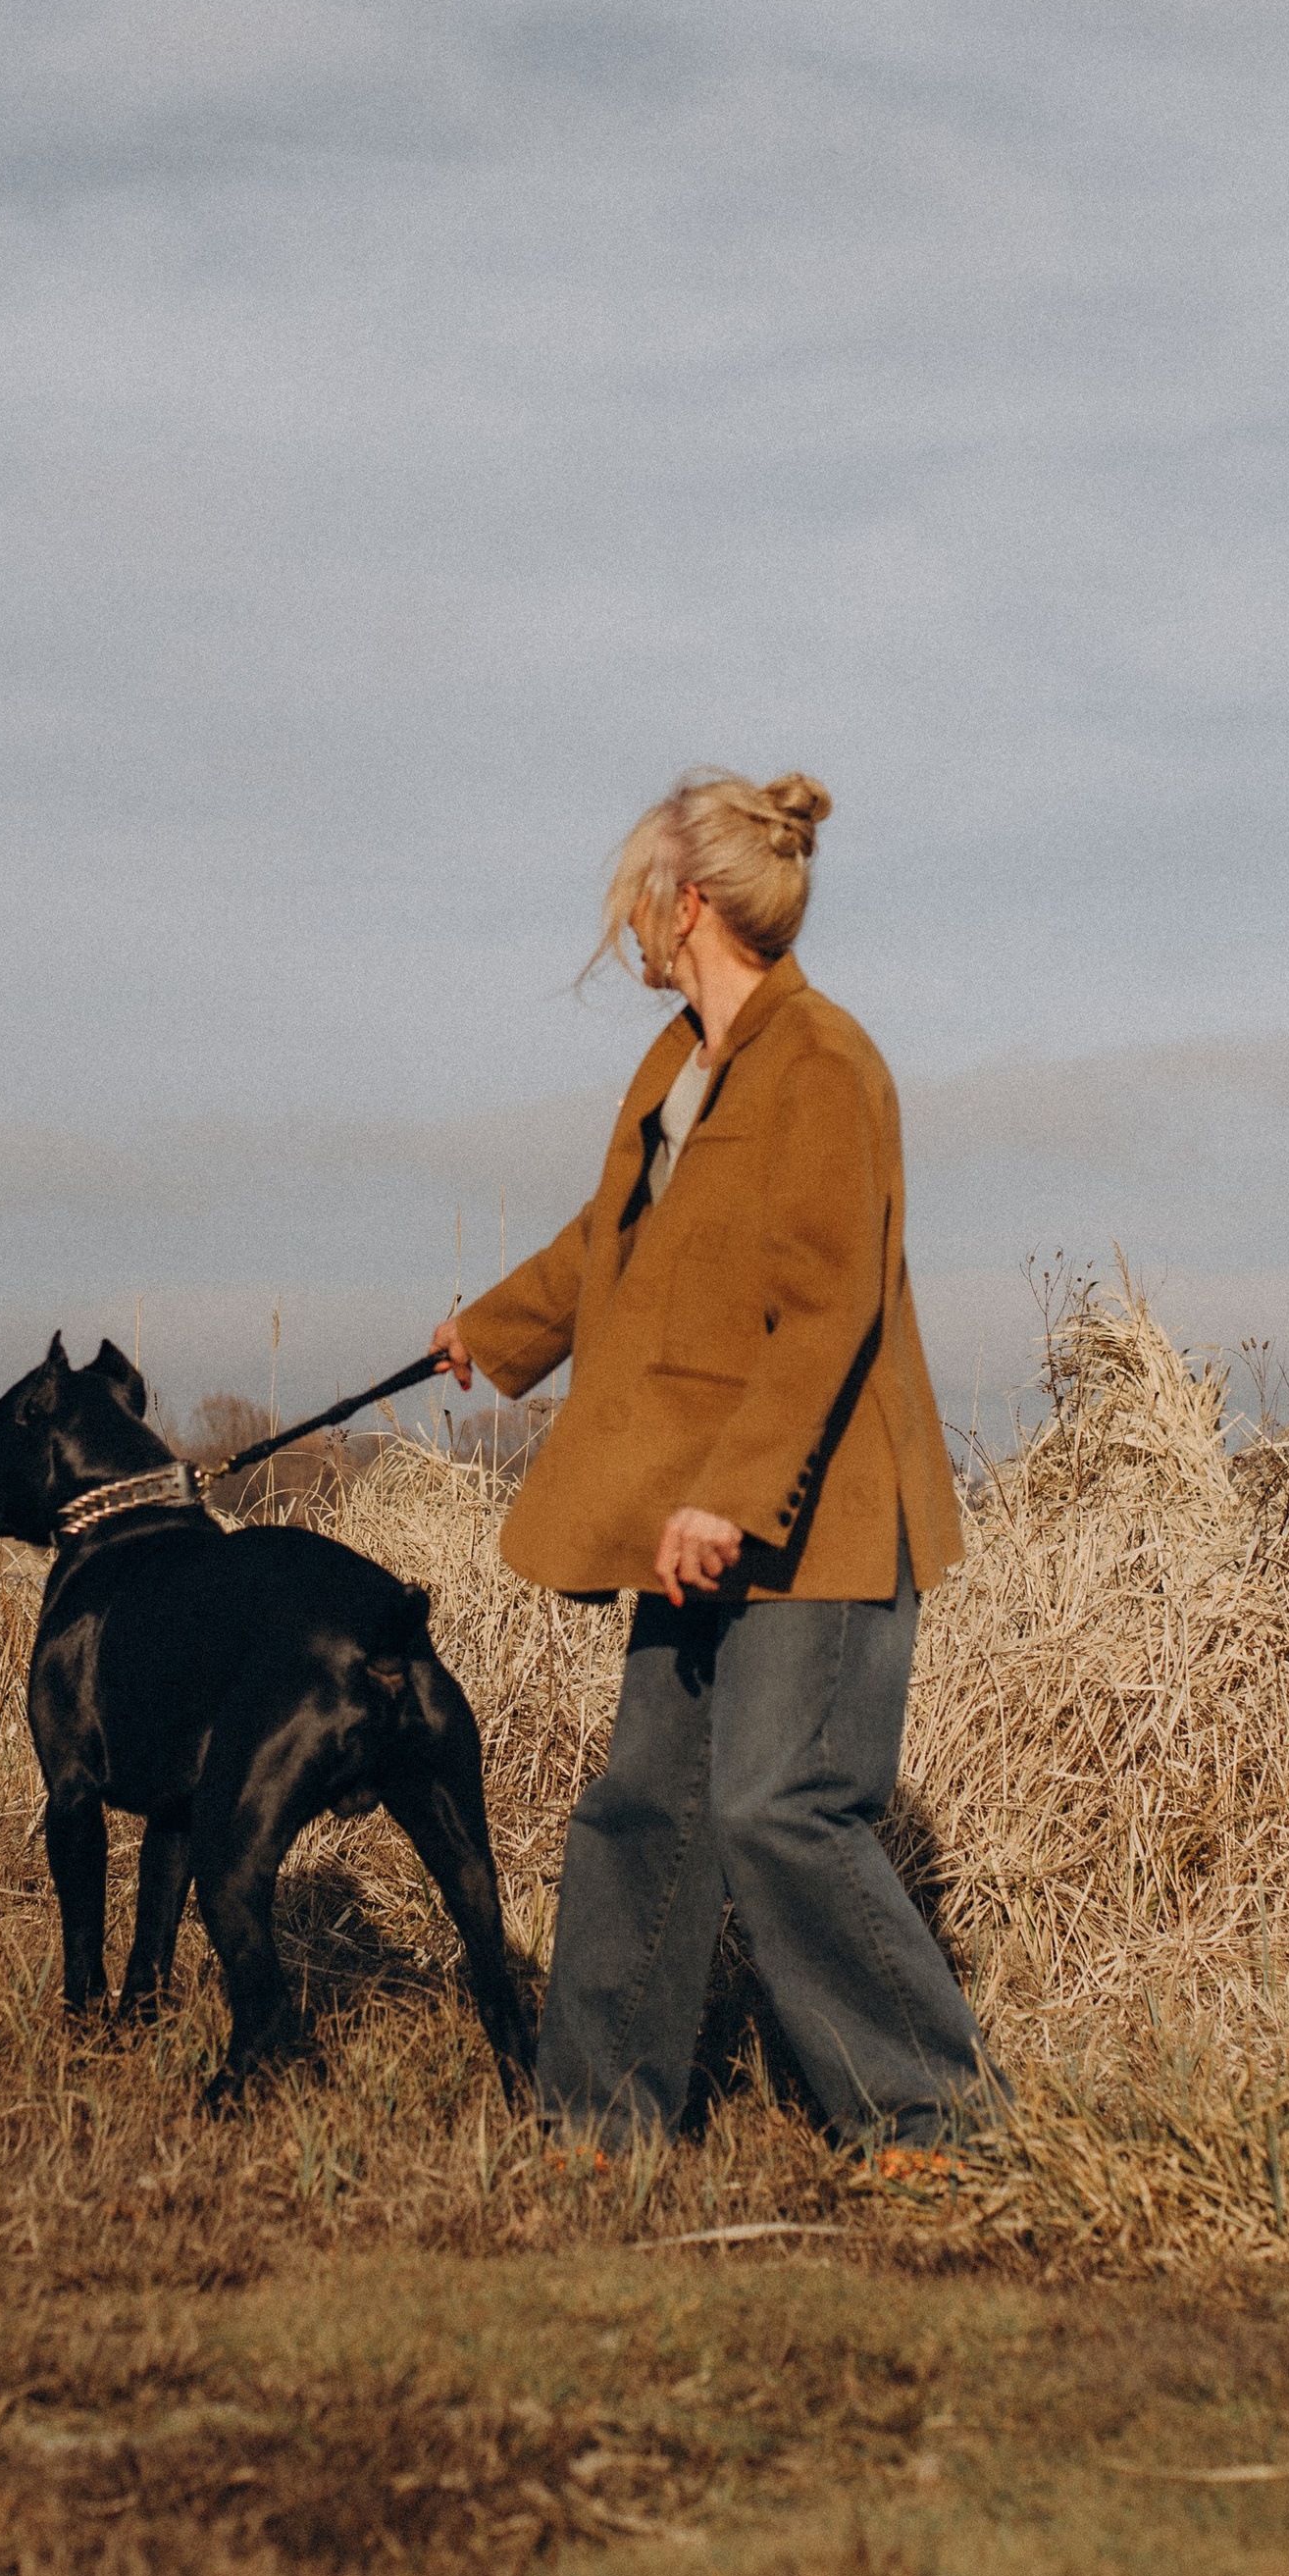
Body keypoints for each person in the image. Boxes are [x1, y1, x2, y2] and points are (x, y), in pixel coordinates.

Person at [432, 767, 998, 2152]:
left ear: (686, 901)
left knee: (779, 1807)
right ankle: (597, 2128)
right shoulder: (682, 1065)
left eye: (637, 891)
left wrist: (732, 1502)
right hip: (692, 1516)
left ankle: (940, 2130)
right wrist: (492, 1331)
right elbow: (607, 1239)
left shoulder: (827, 1066)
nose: (624, 918)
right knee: (648, 1810)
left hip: (822, 1516)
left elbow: (829, 1312)